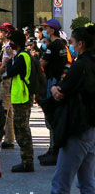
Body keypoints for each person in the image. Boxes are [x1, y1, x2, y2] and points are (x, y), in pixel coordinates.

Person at [49, 25, 95, 194]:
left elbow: (62, 91)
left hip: (77, 126)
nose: (72, 46)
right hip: (91, 127)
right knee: (86, 180)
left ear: (81, 44)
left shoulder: (81, 64)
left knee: (62, 181)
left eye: (73, 43)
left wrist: (54, 90)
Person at [0, 30, 35, 173]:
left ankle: (27, 161)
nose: (10, 44)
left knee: (22, 129)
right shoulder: (22, 55)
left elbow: (11, 71)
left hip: (22, 97)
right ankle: (26, 160)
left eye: (12, 42)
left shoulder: (21, 56)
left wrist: (10, 59)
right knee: (21, 128)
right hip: (20, 96)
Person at [39, 18, 69, 166]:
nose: (44, 29)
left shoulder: (53, 46)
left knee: (51, 116)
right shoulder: (62, 44)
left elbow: (42, 63)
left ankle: (54, 150)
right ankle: (53, 149)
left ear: (53, 30)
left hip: (52, 82)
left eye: (46, 27)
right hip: (59, 81)